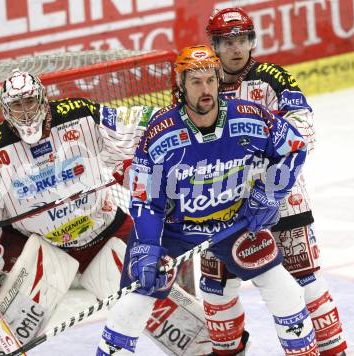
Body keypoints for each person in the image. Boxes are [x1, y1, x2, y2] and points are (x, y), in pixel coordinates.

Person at [0, 70, 210, 355]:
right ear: (5, 109)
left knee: (153, 295)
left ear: (42, 99)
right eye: (17, 106)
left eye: (30, 102)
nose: (25, 113)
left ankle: (207, 347)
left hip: (104, 230)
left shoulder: (81, 114)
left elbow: (136, 125)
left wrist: (180, 122)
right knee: (13, 315)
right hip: (46, 246)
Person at [97, 45, 319, 356]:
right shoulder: (162, 134)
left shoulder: (249, 118)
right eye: (196, 82)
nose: (206, 89)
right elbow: (146, 200)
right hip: (175, 229)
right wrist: (147, 245)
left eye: (211, 80)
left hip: (233, 222)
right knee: (133, 304)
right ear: (181, 85)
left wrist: (269, 192)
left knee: (287, 293)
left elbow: (295, 147)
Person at [203, 7, 347, 355]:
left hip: (281, 200)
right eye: (227, 42)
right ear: (215, 45)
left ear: (251, 41)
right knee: (215, 288)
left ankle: (332, 350)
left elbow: (304, 133)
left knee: (305, 280)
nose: (236, 49)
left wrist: (266, 183)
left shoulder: (272, 78)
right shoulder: (201, 81)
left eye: (242, 40)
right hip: (220, 206)